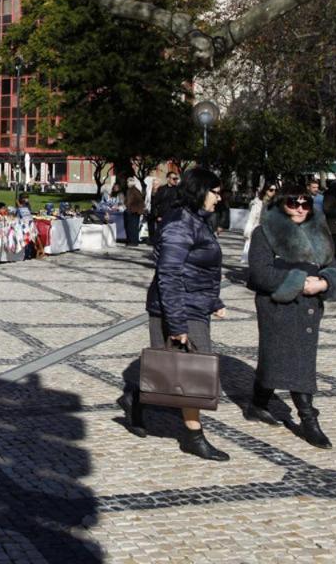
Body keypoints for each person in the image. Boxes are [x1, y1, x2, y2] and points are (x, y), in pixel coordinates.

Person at [122, 167, 230, 461]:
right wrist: (178, 323)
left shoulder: (197, 220)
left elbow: (200, 269)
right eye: (215, 192)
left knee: (169, 368)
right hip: (176, 306)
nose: (219, 199)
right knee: (193, 371)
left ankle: (137, 398)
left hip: (193, 304)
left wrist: (214, 301)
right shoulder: (180, 224)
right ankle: (194, 437)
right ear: (199, 191)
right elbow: (169, 275)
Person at [244, 184, 336, 449]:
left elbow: (333, 266)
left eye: (305, 203)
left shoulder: (318, 231)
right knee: (295, 359)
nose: (300, 209)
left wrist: (324, 283)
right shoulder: (264, 233)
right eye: (294, 203)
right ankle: (308, 419)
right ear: (281, 203)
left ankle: (258, 403)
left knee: (279, 358)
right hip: (277, 306)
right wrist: (300, 282)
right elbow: (260, 274)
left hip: (310, 307)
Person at [241, 182, 278, 263]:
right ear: (265, 190)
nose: (273, 192)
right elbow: (251, 219)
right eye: (271, 190)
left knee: (270, 256)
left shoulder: (276, 203)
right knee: (257, 256)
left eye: (275, 190)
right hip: (258, 231)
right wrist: (247, 233)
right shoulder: (258, 203)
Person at [148, 170, 181, 247]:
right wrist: (157, 215)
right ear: (168, 179)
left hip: (174, 216)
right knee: (162, 234)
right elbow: (155, 203)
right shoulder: (162, 189)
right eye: (173, 179)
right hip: (162, 216)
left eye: (176, 179)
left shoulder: (178, 190)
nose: (175, 180)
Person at [124, 180, 145, 246]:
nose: (127, 183)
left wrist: (127, 206)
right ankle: (133, 241)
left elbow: (129, 201)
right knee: (133, 227)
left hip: (133, 211)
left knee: (132, 226)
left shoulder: (131, 190)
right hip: (136, 211)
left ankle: (132, 242)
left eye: (127, 182)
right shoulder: (135, 190)